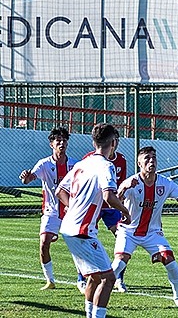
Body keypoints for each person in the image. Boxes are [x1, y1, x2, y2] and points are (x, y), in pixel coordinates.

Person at [111, 146, 178, 308]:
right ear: (139, 163)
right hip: (128, 231)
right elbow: (113, 202)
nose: (151, 160)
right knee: (120, 263)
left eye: (154, 157)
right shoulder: (131, 182)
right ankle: (98, 290)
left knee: (170, 260)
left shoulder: (165, 183)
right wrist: (124, 188)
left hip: (152, 233)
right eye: (147, 158)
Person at [56, 123, 131, 318]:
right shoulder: (107, 165)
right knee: (109, 278)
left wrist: (72, 207)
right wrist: (125, 211)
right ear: (113, 143)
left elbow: (60, 191)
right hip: (82, 230)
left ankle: (90, 314)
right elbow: (109, 197)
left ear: (93, 142)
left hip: (68, 227)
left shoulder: (83, 163)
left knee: (95, 277)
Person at [19, 127, 78, 290]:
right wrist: (26, 177)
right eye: (58, 140)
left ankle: (83, 278)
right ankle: (50, 281)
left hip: (70, 213)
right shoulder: (44, 164)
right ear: (51, 144)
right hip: (51, 212)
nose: (62, 143)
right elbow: (30, 178)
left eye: (64, 140)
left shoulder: (75, 165)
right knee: (44, 244)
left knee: (79, 246)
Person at [77, 130, 129, 293]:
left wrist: (121, 200)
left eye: (117, 139)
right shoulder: (89, 159)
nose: (116, 142)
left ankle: (118, 278)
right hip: (94, 206)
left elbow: (121, 185)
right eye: (113, 139)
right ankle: (82, 278)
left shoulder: (121, 160)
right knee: (85, 239)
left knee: (123, 239)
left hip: (111, 207)